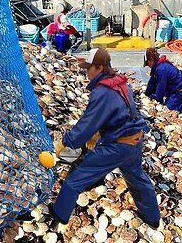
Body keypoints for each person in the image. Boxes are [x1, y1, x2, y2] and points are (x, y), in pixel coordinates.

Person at [50, 48, 161, 228]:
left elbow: (87, 124)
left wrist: (64, 142)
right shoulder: (120, 83)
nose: (87, 73)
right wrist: (98, 133)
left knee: (74, 180)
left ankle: (60, 213)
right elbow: (119, 114)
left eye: (89, 68)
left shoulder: (103, 92)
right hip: (135, 140)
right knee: (137, 178)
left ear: (100, 68)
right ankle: (152, 218)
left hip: (117, 146)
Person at [144, 48, 182, 114]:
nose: (149, 66)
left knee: (169, 109)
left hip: (178, 90)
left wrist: (154, 98)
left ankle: (181, 107)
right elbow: (152, 81)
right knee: (154, 81)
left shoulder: (162, 69)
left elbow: (160, 91)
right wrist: (147, 93)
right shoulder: (158, 65)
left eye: (148, 64)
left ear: (151, 59)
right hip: (172, 87)